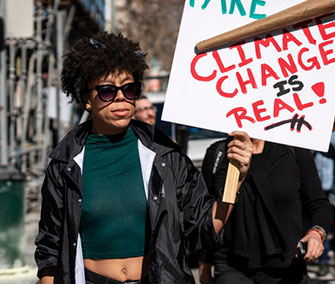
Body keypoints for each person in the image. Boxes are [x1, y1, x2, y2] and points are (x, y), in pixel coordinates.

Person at [34, 32, 254, 284]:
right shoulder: (66, 163)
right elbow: (49, 246)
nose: (120, 97)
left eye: (129, 89)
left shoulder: (164, 155)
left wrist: (236, 177)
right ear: (86, 99)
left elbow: (202, 229)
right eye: (107, 91)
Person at [199, 136, 333, 284]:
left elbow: (319, 204)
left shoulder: (293, 150)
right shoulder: (219, 153)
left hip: (287, 267)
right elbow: (205, 216)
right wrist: (204, 266)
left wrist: (316, 233)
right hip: (232, 266)